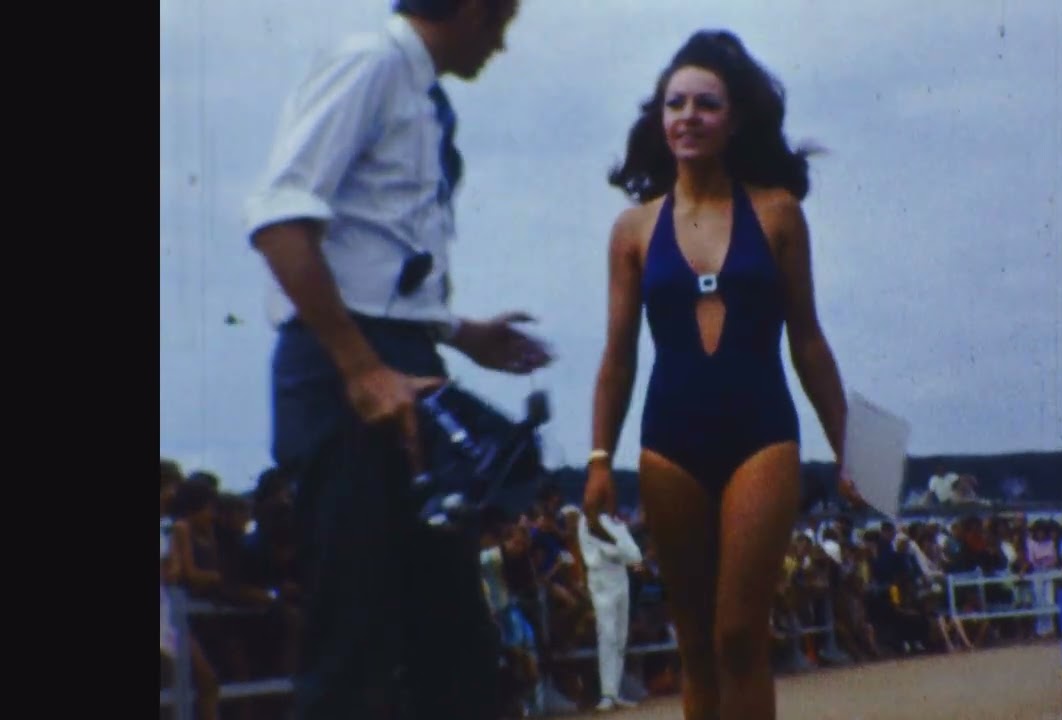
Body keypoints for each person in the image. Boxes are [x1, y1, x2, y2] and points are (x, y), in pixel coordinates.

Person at [242, 1, 549, 718]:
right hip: (344, 367)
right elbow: (281, 221)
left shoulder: (421, 95)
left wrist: (456, 330)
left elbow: (372, 258)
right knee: (355, 641)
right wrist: (359, 367)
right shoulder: (370, 64)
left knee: (456, 644)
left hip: (395, 354)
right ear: (473, 9)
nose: (501, 44)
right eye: (502, 22)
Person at [582, 29, 860, 720]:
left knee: (740, 636)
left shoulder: (777, 214)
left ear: (734, 119)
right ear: (659, 118)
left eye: (706, 103)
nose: (688, 117)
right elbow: (618, 357)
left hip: (761, 436)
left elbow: (810, 342)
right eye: (675, 103)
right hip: (668, 445)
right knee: (697, 646)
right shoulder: (634, 230)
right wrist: (597, 459)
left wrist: (849, 444)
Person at [575, 507, 644, 711]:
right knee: (607, 634)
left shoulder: (616, 522)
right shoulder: (586, 522)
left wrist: (618, 550)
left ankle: (615, 692)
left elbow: (634, 555)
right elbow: (599, 555)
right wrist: (620, 549)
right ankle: (607, 694)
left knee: (621, 636)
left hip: (621, 581)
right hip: (601, 581)